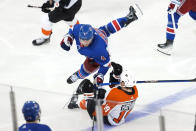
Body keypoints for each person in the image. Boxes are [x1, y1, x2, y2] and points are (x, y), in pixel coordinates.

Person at [60, 5, 140, 86]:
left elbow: (106, 64)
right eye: (82, 39)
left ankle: (78, 75)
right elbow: (72, 29)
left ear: (92, 37)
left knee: (88, 67)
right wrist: (68, 38)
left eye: (87, 40)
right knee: (106, 29)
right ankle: (128, 18)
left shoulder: (99, 50)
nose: (84, 42)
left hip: (97, 51)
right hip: (100, 33)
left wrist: (100, 75)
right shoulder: (79, 29)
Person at [67, 62, 138, 126]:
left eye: (120, 80)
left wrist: (89, 95)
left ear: (122, 83)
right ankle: (88, 100)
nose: (119, 81)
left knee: (91, 89)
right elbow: (117, 88)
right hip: (119, 116)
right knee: (101, 92)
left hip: (110, 120)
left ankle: (83, 104)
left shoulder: (115, 94)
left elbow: (97, 114)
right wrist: (115, 75)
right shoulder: (135, 90)